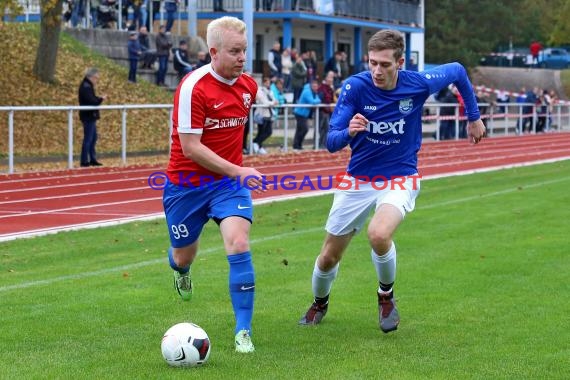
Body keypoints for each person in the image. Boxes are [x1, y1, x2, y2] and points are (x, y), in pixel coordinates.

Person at [298, 29, 486, 332]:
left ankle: (385, 296)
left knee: (378, 233)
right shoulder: (355, 88)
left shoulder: (418, 83)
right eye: (372, 62)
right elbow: (331, 141)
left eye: (385, 64)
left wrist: (473, 116)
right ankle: (320, 303)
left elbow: (457, 71)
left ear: (400, 62)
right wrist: (349, 131)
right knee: (328, 258)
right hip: (358, 180)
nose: (377, 71)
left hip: (400, 176)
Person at [162, 16, 262, 354]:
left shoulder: (249, 87)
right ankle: (180, 269)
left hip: (226, 185)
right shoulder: (193, 87)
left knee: (238, 243)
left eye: (245, 51)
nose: (242, 58)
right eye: (235, 51)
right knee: (183, 253)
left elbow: (233, 133)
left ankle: (243, 331)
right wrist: (238, 169)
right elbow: (191, 147)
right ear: (213, 52)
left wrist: (233, 173)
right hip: (186, 184)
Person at [78, 68, 107, 167]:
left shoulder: (88, 86)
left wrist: (98, 99)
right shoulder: (86, 87)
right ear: (90, 77)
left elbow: (92, 99)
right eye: (96, 78)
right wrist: (101, 99)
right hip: (88, 116)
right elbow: (92, 101)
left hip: (90, 115)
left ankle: (92, 159)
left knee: (93, 138)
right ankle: (84, 160)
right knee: (88, 138)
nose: (96, 80)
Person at [292, 79, 322, 150]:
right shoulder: (307, 92)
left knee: (300, 129)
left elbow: (315, 100)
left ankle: (297, 145)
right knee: (304, 129)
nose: (315, 87)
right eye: (314, 86)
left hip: (303, 113)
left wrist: (317, 98)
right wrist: (320, 99)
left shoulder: (313, 92)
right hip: (300, 113)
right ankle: (297, 144)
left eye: (316, 86)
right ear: (311, 85)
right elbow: (312, 101)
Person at [252, 77, 278, 154]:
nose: (268, 84)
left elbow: (274, 99)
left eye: (269, 82)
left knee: (268, 131)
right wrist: (272, 103)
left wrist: (273, 102)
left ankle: (257, 143)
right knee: (261, 131)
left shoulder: (270, 91)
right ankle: (257, 144)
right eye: (266, 82)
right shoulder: (260, 90)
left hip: (269, 114)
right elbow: (263, 102)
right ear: (263, 82)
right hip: (261, 114)